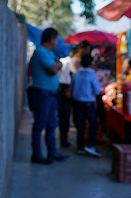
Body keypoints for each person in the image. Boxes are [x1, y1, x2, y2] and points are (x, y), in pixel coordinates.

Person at [29, 28, 69, 164]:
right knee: (40, 124)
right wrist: (58, 64)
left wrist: (58, 64)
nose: (57, 42)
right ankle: (37, 154)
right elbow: (53, 69)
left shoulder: (48, 52)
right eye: (56, 39)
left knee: (52, 124)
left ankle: (52, 152)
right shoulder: (40, 52)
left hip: (51, 95)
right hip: (42, 94)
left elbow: (59, 64)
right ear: (52, 39)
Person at [71, 53, 102, 157]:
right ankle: (90, 145)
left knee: (80, 125)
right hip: (89, 103)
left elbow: (72, 89)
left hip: (77, 103)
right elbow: (97, 91)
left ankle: (80, 147)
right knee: (93, 124)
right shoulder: (92, 74)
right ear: (91, 63)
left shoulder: (76, 74)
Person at [57, 55, 72, 148]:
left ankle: (64, 139)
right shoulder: (67, 68)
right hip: (63, 101)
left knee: (64, 121)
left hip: (62, 99)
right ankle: (63, 139)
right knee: (64, 121)